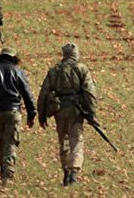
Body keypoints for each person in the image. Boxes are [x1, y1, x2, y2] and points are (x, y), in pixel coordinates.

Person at [38, 43, 98, 186]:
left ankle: (66, 173)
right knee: (76, 141)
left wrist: (42, 115)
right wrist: (92, 113)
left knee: (63, 141)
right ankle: (73, 173)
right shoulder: (81, 69)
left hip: (59, 111)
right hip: (76, 111)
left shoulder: (54, 70)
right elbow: (90, 92)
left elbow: (43, 94)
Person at [0, 47, 36, 185]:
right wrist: (31, 113)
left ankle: (3, 172)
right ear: (13, 58)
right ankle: (8, 175)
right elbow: (27, 94)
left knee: (0, 141)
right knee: (10, 142)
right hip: (13, 112)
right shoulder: (18, 71)